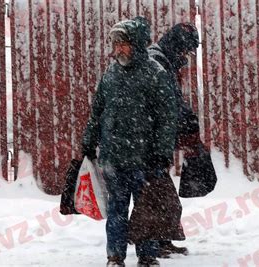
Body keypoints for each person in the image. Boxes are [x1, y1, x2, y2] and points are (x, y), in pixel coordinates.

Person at [82, 17, 178, 267]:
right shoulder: (111, 74)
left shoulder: (155, 74)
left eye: (123, 44)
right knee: (116, 209)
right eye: (115, 44)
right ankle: (115, 256)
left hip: (144, 159)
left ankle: (147, 256)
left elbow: (167, 118)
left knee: (146, 208)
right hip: (114, 158)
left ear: (136, 43)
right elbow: (97, 111)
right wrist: (89, 141)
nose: (118, 50)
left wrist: (161, 152)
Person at [148, 23, 201, 257]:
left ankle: (160, 240)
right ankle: (152, 244)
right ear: (176, 45)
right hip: (150, 142)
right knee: (158, 194)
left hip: (158, 140)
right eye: (184, 50)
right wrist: (186, 118)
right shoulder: (157, 62)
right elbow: (167, 101)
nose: (184, 57)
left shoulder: (164, 61)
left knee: (161, 194)